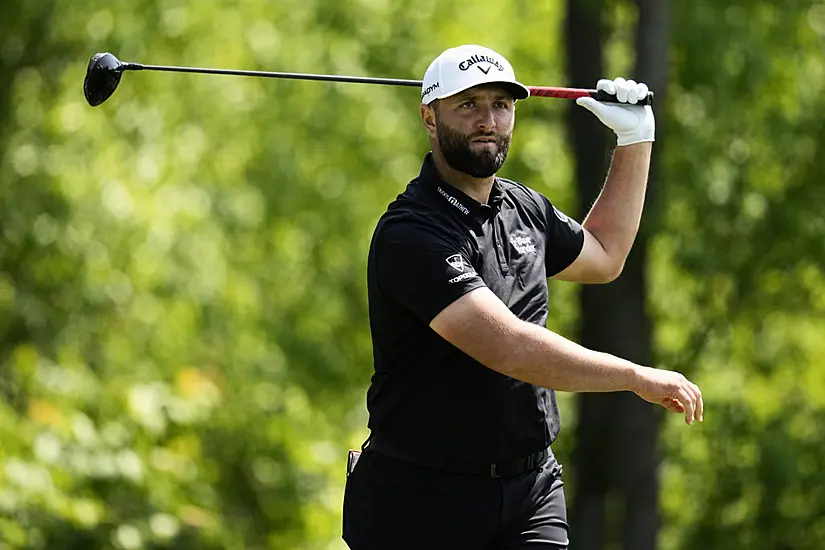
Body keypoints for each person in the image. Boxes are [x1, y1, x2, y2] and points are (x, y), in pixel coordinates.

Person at [342, 44, 703, 550]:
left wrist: (635, 139)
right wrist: (634, 376)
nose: (488, 120)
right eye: (468, 105)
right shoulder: (411, 233)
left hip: (531, 491)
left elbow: (604, 254)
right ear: (429, 116)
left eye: (502, 105)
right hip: (420, 499)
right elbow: (509, 349)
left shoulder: (523, 207)